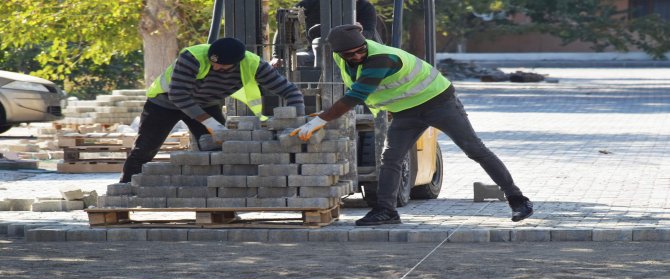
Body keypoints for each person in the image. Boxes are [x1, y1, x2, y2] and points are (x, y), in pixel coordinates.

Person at [291, 24, 533, 226]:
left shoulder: (381, 58)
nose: (356, 56)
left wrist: (318, 121)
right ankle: (386, 211)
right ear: (338, 52)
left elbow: (356, 96)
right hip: (405, 111)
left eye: (359, 50)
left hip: (439, 102)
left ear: (365, 44)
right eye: (349, 54)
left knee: (474, 149)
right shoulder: (340, 53)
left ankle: (518, 200)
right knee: (391, 158)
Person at [120, 37, 305, 183]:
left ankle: (217, 194)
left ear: (236, 62)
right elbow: (178, 95)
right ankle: (125, 192)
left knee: (219, 148)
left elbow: (291, 92)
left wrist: (298, 121)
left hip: (206, 104)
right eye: (213, 62)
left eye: (221, 66)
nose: (215, 67)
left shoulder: (254, 65)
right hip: (165, 103)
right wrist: (210, 123)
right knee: (144, 149)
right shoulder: (192, 57)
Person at [270, 0, 379, 68]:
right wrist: (277, 56)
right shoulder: (309, 4)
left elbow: (369, 32)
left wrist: (357, 33)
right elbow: (285, 24)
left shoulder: (365, 7)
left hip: (353, 52)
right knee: (291, 61)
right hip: (317, 53)